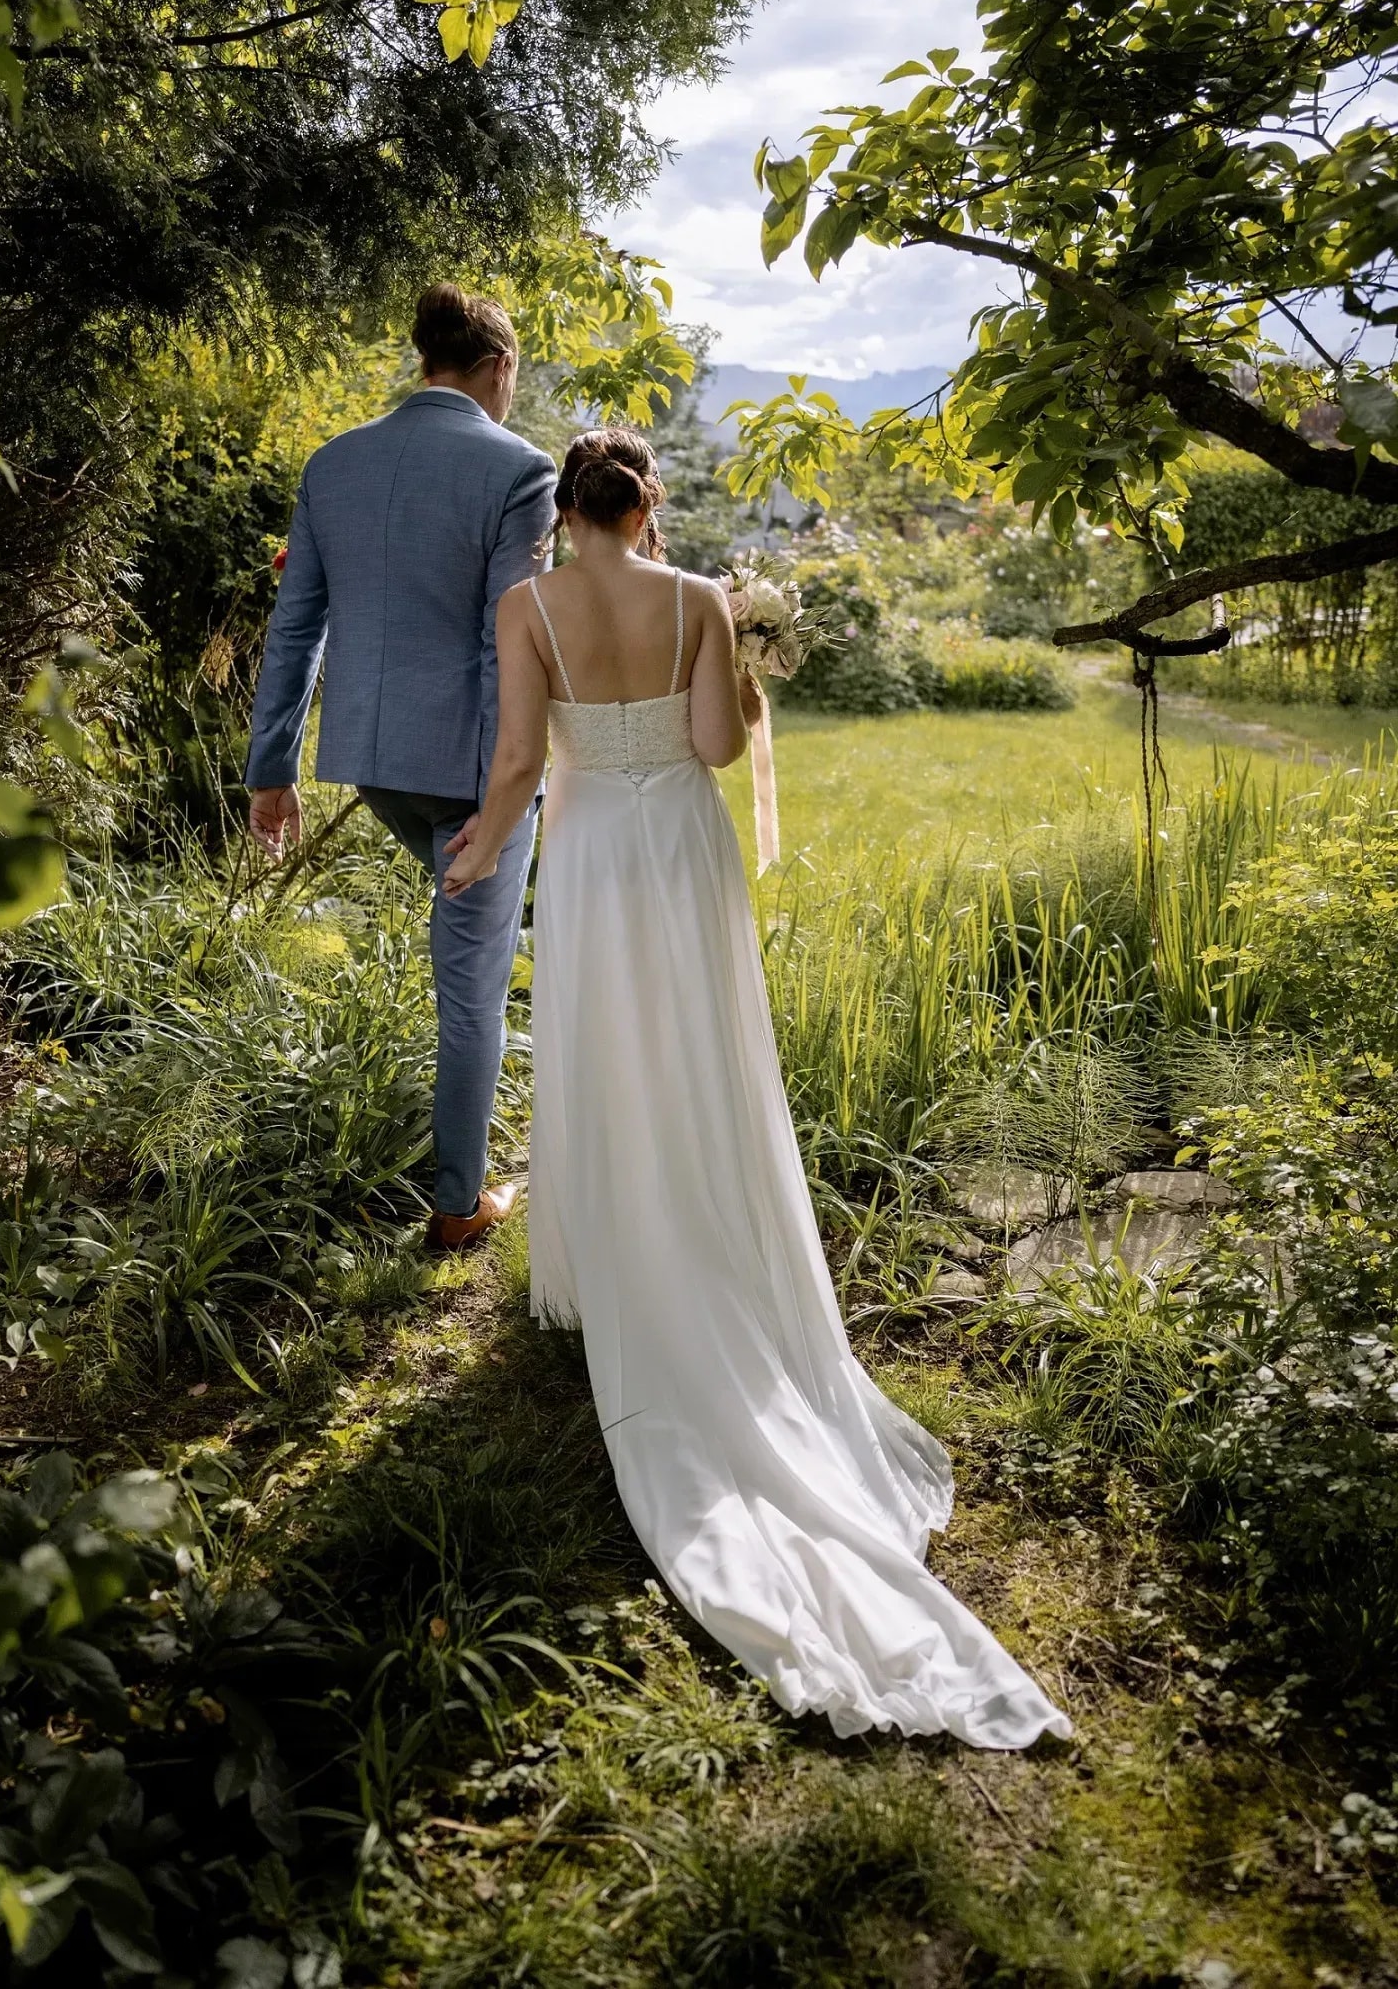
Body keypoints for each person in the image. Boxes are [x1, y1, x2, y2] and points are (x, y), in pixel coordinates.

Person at [443, 425, 1072, 1750]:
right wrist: (741, 657)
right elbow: (720, 749)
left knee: (606, 1045)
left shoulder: (528, 603)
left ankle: (614, 1250)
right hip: (678, 841)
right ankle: (706, 1234)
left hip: (599, 851)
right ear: (648, 502)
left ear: (563, 509)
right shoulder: (699, 603)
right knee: (700, 1055)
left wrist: (484, 846)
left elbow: (514, 760)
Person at [246, 282, 555, 1253]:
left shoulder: (333, 464)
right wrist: (511, 796)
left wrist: (271, 770)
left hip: (372, 759)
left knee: (468, 946)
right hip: (474, 768)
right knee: (471, 976)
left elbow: (295, 627)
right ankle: (460, 1205)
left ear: (426, 363)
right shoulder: (521, 468)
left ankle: (464, 1130)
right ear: (497, 367)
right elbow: (512, 638)